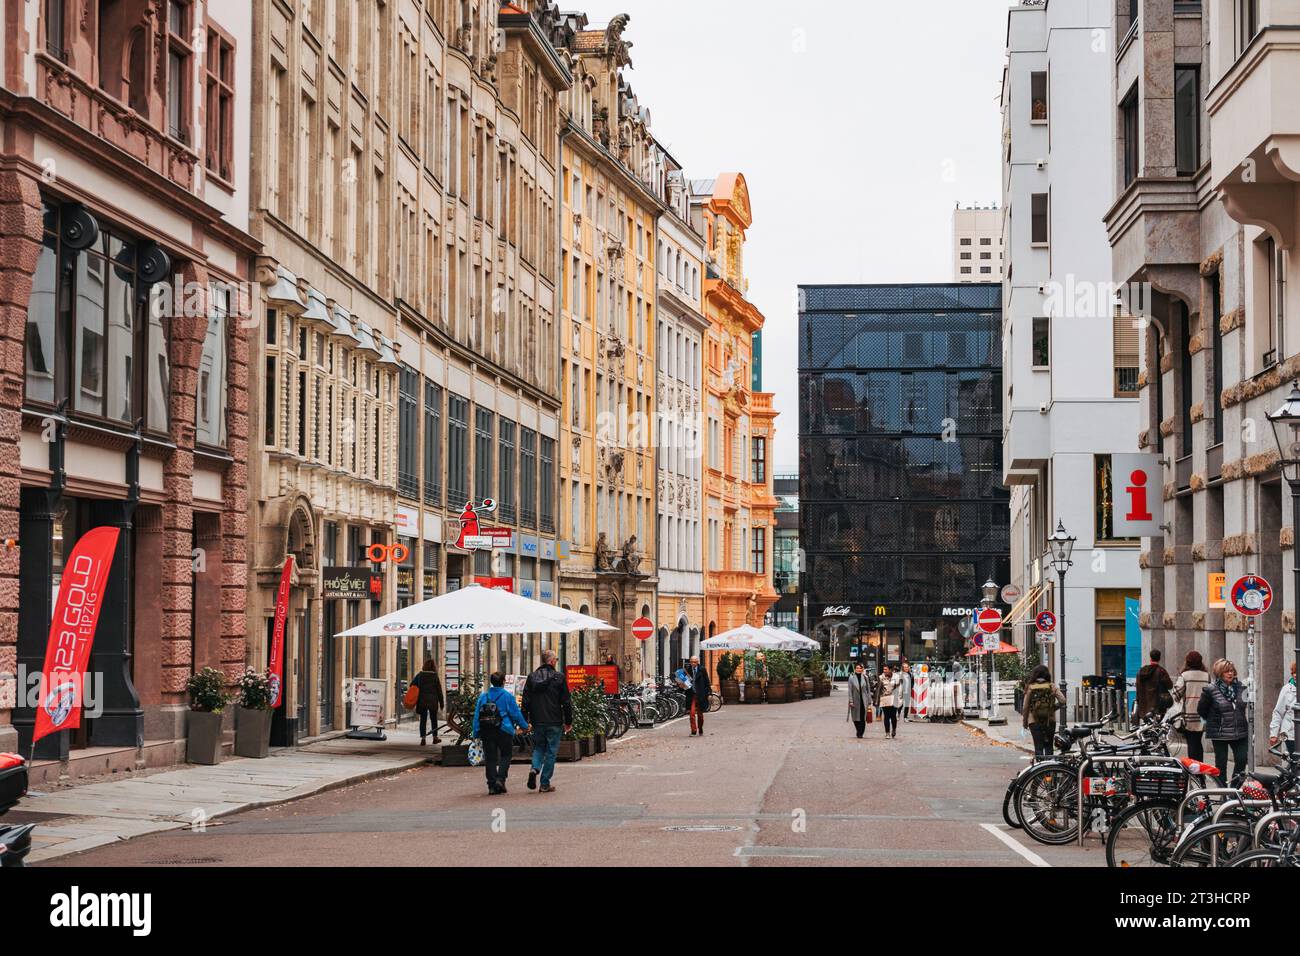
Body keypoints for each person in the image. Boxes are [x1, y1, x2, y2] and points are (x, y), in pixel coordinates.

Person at [521, 648, 572, 793]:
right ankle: (544, 783)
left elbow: (526, 700)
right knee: (551, 751)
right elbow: (566, 702)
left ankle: (534, 768)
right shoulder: (559, 677)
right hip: (554, 720)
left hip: (537, 720)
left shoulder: (532, 677)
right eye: (555, 659)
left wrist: (525, 720)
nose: (556, 662)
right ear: (551, 661)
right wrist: (568, 721)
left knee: (539, 747)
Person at [472, 672, 529, 795]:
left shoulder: (484, 696)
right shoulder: (507, 696)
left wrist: (476, 732)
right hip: (504, 730)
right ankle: (500, 780)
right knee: (506, 755)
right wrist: (524, 726)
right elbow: (515, 714)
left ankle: (492, 785)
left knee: (490, 758)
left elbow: (477, 716)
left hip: (487, 731)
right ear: (503, 682)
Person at [1198, 658, 1250, 786]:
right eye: (1227, 671)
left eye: (1232, 671)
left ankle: (1234, 790)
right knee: (1221, 764)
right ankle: (1223, 792)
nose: (1230, 674)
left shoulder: (1241, 687)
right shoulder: (1210, 690)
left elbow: (1246, 705)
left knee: (1242, 759)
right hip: (1220, 733)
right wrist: (1215, 721)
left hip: (1240, 731)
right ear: (1220, 673)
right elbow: (1201, 710)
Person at [1172, 650, 1210, 761]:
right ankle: (1200, 770)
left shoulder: (1184, 676)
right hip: (1203, 716)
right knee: (1198, 742)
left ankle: (1194, 771)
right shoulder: (1206, 676)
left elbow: (1176, 695)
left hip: (1189, 715)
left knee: (1192, 743)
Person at [1021, 664, 1066, 758]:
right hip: (1050, 721)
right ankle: (1049, 771)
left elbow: (1025, 707)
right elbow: (1063, 700)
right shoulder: (1052, 686)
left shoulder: (1030, 687)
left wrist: (1025, 722)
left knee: (1038, 748)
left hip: (1034, 722)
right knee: (1049, 747)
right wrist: (1053, 708)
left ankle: (1040, 770)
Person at [411, 659, 444, 746]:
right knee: (434, 719)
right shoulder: (435, 676)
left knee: (423, 720)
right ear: (434, 667)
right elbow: (439, 690)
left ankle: (423, 739)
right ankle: (435, 737)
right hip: (433, 701)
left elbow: (412, 685)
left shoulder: (420, 675)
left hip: (422, 700)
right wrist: (442, 703)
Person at [1135, 648, 1174, 719]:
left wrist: (1138, 700)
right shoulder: (1161, 671)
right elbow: (1170, 686)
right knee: (1157, 728)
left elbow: (1137, 686)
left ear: (1150, 658)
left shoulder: (1141, 671)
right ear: (1159, 658)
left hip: (1144, 705)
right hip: (1158, 706)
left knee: (1146, 727)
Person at [1269, 661, 1297, 756]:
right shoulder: (1287, 689)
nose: (1295, 675)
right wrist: (1273, 733)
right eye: (1293, 672)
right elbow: (1278, 712)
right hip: (1291, 734)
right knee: (1295, 760)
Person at [685, 656, 711, 736]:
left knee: (700, 714)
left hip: (700, 695)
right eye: (692, 662)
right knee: (692, 713)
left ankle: (700, 728)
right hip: (691, 694)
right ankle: (693, 731)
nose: (693, 663)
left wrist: (707, 693)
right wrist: (682, 685)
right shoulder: (687, 670)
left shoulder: (702, 670)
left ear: (698, 662)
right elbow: (685, 682)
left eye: (695, 662)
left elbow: (707, 682)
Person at [847, 663, 872, 738]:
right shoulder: (851, 678)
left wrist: (869, 700)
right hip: (855, 700)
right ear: (855, 669)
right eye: (857, 668)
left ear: (862, 669)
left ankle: (861, 732)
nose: (858, 669)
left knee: (863, 717)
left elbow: (868, 689)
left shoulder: (865, 677)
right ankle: (858, 730)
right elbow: (850, 690)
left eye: (860, 668)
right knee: (855, 717)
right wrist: (851, 701)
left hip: (864, 700)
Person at [878, 665, 901, 738]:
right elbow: (879, 689)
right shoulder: (881, 677)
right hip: (885, 698)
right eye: (884, 669)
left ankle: (894, 729)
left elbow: (899, 687)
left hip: (894, 698)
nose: (884, 671)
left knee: (893, 716)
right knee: (886, 716)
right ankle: (887, 733)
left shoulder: (896, 677)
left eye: (886, 669)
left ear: (890, 670)